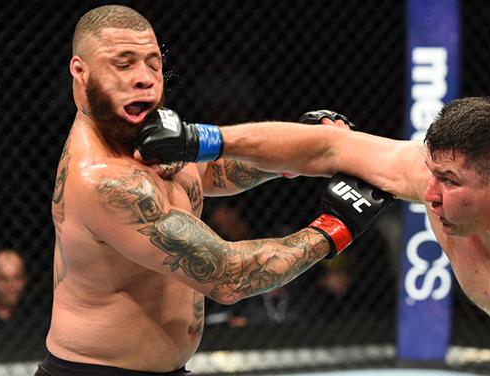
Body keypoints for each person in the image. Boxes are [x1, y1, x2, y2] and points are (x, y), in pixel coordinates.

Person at [140, 97, 490, 375]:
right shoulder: (451, 196)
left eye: (448, 181)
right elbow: (332, 146)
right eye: (430, 173)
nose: (426, 194)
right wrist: (202, 138)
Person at [40, 5, 391, 376]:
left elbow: (210, 171)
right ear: (80, 71)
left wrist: (297, 150)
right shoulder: (103, 179)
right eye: (123, 64)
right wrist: (337, 227)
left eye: (153, 62)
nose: (145, 78)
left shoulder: (138, 133)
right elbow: (229, 277)